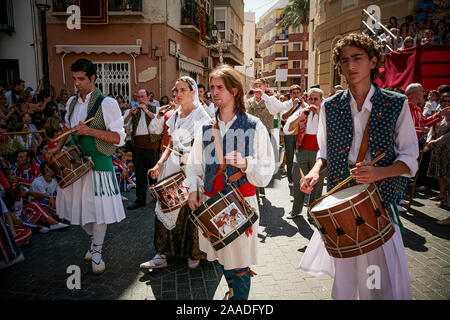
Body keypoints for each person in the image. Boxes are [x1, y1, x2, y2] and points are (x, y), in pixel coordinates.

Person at [299, 33, 419, 300]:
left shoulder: (395, 104)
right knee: (344, 283)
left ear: (373, 61)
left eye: (358, 58)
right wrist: (315, 170)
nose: (350, 66)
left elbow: (410, 159)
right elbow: (325, 152)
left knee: (377, 283)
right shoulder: (330, 107)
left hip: (379, 206)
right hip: (341, 206)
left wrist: (378, 173)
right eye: (344, 61)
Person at [185, 65, 275, 300]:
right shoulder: (205, 128)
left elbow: (267, 168)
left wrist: (247, 164)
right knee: (224, 254)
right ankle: (233, 292)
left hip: (242, 202)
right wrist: (193, 189)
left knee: (241, 259)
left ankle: (238, 300)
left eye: (220, 88)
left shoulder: (253, 125)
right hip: (212, 202)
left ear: (234, 91)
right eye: (212, 88)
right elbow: (195, 165)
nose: (214, 92)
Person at [51, 58, 126, 275]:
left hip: (98, 161)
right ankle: (94, 240)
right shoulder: (72, 103)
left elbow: (118, 138)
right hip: (75, 161)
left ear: (93, 78)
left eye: (81, 79)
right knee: (75, 209)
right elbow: (68, 130)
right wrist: (56, 150)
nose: (77, 83)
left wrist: (91, 131)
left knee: (99, 211)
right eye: (74, 79)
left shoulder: (107, 103)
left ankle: (97, 251)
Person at [140, 76, 211, 270]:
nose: (177, 94)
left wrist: (192, 158)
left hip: (193, 167)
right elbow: (170, 143)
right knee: (166, 205)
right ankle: (161, 254)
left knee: (191, 208)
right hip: (172, 165)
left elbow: (206, 144)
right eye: (176, 90)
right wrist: (159, 164)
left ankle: (194, 253)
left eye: (182, 90)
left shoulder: (202, 116)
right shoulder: (177, 114)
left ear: (193, 92)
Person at [284, 88, 326, 219]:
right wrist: (300, 117)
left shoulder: (326, 112)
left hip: (320, 153)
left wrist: (320, 114)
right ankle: (296, 211)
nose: (313, 102)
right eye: (310, 99)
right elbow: (287, 129)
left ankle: (312, 213)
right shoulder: (302, 111)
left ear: (321, 100)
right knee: (298, 180)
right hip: (302, 150)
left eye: (316, 99)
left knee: (317, 184)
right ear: (307, 99)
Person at [123, 89, 164, 210]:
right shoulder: (131, 111)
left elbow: (159, 122)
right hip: (137, 147)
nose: (140, 99)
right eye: (138, 97)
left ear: (148, 97)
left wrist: (146, 111)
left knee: (153, 174)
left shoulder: (155, 109)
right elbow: (124, 125)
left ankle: (157, 197)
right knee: (140, 174)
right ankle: (140, 200)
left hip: (151, 146)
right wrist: (130, 114)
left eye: (142, 97)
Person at [245, 79, 285, 198]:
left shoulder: (270, 100)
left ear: (264, 87)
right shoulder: (249, 100)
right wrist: (246, 96)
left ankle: (260, 186)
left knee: (262, 162)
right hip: (250, 135)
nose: (257, 88)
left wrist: (265, 96)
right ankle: (254, 190)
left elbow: (279, 108)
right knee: (251, 161)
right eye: (255, 86)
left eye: (260, 86)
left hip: (265, 135)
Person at [426, 93, 450, 209]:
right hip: (437, 148)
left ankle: (446, 199)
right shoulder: (438, 113)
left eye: (449, 101)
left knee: (446, 174)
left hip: (447, 149)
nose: (446, 103)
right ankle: (442, 194)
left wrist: (437, 141)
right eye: (443, 101)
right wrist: (429, 139)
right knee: (439, 173)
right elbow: (432, 127)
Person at [280, 85, 303, 188]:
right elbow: (283, 118)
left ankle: (300, 178)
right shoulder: (285, 104)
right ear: (290, 94)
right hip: (289, 135)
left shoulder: (304, 104)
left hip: (301, 135)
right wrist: (293, 107)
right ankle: (290, 179)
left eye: (298, 93)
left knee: (300, 159)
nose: (296, 95)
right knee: (290, 158)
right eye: (294, 93)